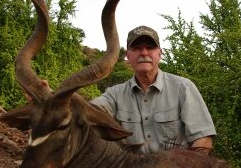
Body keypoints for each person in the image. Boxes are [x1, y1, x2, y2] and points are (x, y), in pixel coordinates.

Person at [91, 26, 216, 154]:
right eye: (137, 48)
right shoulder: (114, 94)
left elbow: (203, 140)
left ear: (160, 54)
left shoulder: (183, 88)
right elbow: (90, 112)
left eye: (150, 48)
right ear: (128, 55)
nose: (144, 53)